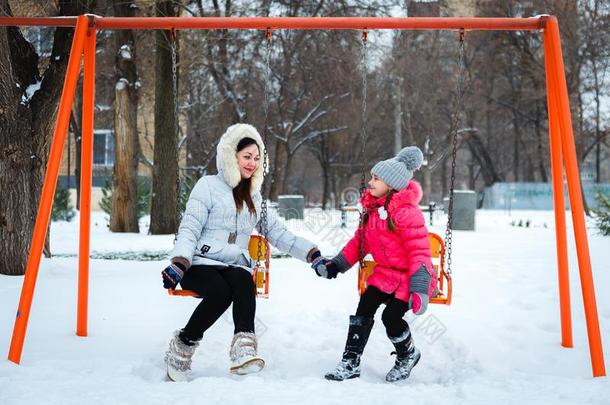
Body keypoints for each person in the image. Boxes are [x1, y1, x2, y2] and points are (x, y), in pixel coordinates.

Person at [162, 123, 322, 382]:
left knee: (243, 279)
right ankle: (183, 344)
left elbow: (278, 233)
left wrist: (311, 253)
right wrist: (179, 263)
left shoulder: (254, 197)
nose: (252, 163)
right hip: (199, 264)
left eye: (257, 158)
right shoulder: (208, 186)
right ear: (231, 156)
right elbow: (190, 227)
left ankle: (244, 349)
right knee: (220, 290)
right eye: (247, 156)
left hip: (232, 265)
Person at [311, 146, 437, 383]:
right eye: (371, 177)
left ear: (391, 185)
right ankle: (350, 361)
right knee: (365, 307)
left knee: (391, 318)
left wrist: (420, 288)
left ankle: (407, 354)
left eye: (376, 179)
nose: (370, 182)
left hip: (409, 279)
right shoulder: (373, 211)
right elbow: (360, 242)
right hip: (386, 276)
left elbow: (420, 252)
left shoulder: (407, 214)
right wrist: (336, 265)